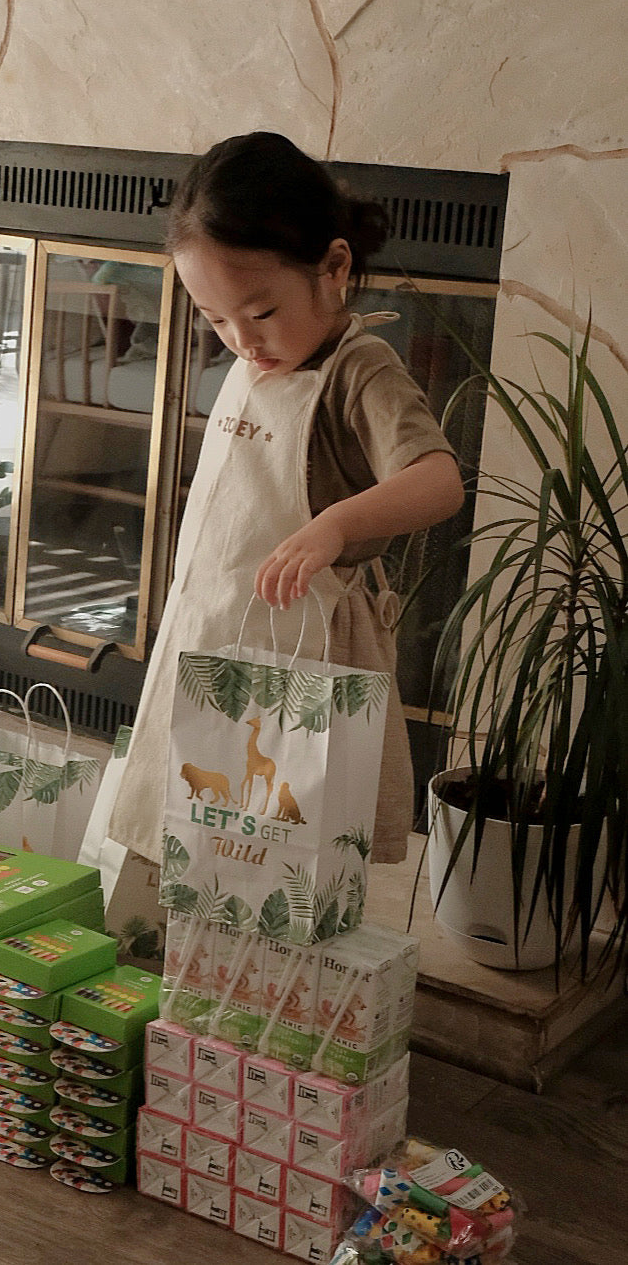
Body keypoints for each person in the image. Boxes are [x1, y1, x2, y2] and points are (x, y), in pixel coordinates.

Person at [107, 131, 464, 866]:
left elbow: (438, 480)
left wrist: (334, 526)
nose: (240, 340)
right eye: (214, 319)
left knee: (277, 851)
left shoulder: (360, 372)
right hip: (213, 627)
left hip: (298, 652)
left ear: (333, 267)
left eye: (260, 312)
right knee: (195, 828)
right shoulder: (264, 356)